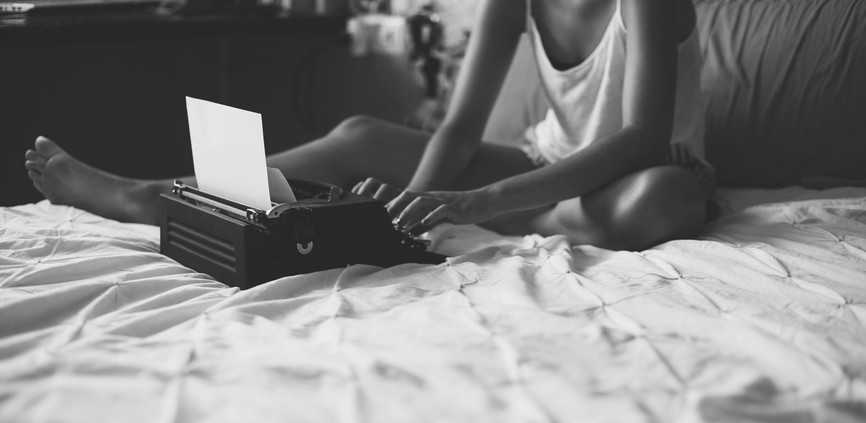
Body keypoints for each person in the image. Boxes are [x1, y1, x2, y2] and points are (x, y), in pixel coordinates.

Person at [25, 0, 715, 251]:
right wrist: (404, 210)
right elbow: (458, 131)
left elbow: (641, 139)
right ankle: (153, 195)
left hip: (628, 172)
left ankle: (529, 221)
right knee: (359, 132)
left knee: (663, 196)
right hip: (546, 172)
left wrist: (478, 203)